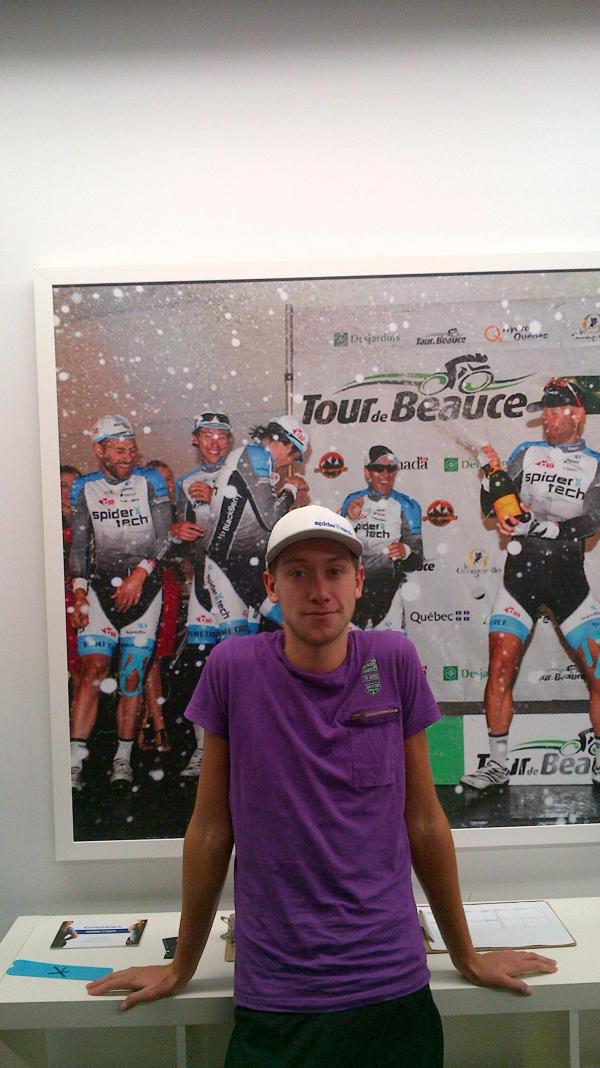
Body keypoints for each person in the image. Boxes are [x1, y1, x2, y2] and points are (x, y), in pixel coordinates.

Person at [87, 504, 557, 1067]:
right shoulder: (234, 668)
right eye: (298, 573)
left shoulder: (392, 659)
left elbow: (425, 820)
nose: (319, 590)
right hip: (276, 995)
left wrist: (466, 955)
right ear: (271, 585)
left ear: (358, 581)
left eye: (334, 571)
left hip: (393, 989)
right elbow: (211, 828)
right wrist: (181, 966)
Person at [461, 378, 600, 791]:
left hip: (568, 583)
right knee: (500, 667)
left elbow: (593, 520)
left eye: (556, 411)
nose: (548, 419)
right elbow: (494, 508)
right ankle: (497, 765)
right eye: (545, 412)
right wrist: (490, 479)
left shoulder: (595, 462)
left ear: (577, 414)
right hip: (520, 579)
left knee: (598, 672)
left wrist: (552, 529)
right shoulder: (526, 452)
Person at [69, 415, 172, 791]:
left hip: (145, 591)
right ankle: (74, 762)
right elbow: (79, 544)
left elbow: (165, 537)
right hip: (100, 591)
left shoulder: (151, 480)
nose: (128, 456)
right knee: (92, 672)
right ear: (99, 451)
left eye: (131, 449)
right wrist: (80, 591)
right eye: (119, 450)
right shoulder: (83, 486)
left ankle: (122, 759)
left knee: (131, 676)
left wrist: (140, 574)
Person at [202, 414, 310, 636]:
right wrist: (290, 489)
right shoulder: (255, 455)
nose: (291, 462)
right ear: (284, 443)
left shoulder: (258, 460)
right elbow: (270, 518)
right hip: (228, 563)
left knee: (268, 637)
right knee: (239, 646)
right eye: (294, 455)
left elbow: (262, 521)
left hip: (245, 564)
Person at [171, 413, 234, 778]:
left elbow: (256, 533)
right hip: (202, 586)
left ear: (230, 440)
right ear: (195, 439)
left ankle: (241, 749)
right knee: (200, 666)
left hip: (239, 588)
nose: (214, 442)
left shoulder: (243, 475)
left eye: (221, 436)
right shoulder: (185, 482)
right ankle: (202, 749)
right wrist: (177, 531)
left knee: (239, 668)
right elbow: (180, 541)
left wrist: (216, 499)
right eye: (208, 435)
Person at [340, 445, 423, 630]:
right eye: (378, 468)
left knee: (388, 647)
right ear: (367, 472)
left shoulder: (408, 505)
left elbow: (417, 559)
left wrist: (405, 550)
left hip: (388, 592)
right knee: (352, 647)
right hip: (352, 592)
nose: (385, 474)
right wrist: (349, 520)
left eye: (390, 468)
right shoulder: (352, 501)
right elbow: (336, 550)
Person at [136, 459, 182, 754]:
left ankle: (154, 727)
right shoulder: (137, 512)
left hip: (167, 586)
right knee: (140, 657)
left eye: (169, 479)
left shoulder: (179, 513)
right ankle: (149, 727)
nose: (166, 484)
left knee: (154, 659)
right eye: (160, 479)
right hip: (140, 584)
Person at [61, 464, 83, 700]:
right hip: (55, 600)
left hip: (80, 598)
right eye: (62, 486)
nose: (68, 492)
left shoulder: (88, 520)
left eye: (73, 486)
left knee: (81, 666)